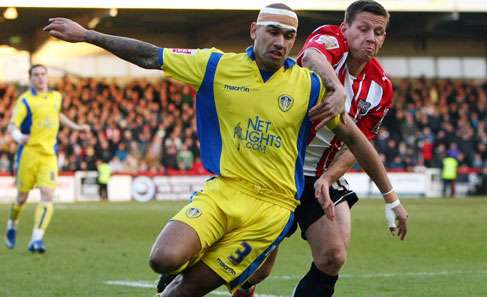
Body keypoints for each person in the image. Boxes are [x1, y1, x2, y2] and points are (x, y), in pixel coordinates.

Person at [44, 3, 405, 296]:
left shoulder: (311, 87)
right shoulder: (218, 66)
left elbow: (358, 140)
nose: (280, 42)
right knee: (164, 260)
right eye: (273, 32)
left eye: (288, 36)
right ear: (254, 31)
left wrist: (390, 197)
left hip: (279, 200)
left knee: (325, 257)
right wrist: (88, 35)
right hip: (228, 188)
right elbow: (152, 56)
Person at [234, 1, 408, 297]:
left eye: (378, 32)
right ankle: (228, 283)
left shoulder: (381, 87)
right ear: (345, 29)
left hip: (322, 175)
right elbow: (312, 55)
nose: (371, 37)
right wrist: (336, 88)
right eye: (363, 29)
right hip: (280, 170)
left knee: (333, 257)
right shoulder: (328, 40)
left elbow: (359, 144)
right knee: (259, 268)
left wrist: (330, 177)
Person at [5, 64, 90, 253]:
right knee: (21, 197)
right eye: (36, 75)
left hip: (49, 155)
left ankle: (37, 239)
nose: (40, 78)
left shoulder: (56, 97)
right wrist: (20, 137)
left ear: (47, 77)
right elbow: (12, 126)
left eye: (43, 74)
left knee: (48, 195)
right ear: (30, 79)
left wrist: (77, 127)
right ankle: (12, 223)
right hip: (28, 154)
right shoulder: (25, 101)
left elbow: (57, 115)